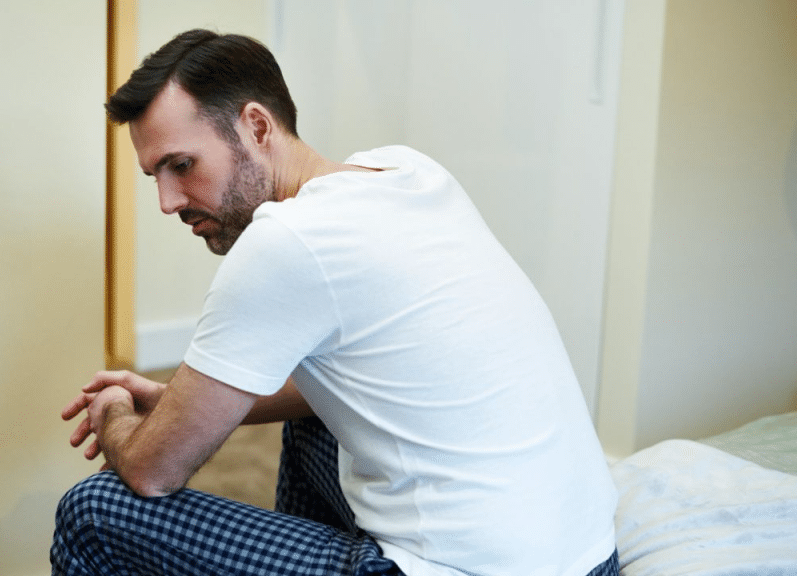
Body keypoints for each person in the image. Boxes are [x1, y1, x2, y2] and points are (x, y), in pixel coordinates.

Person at [52, 28, 619, 576]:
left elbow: (154, 471)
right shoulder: (405, 171)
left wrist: (117, 415)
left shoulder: (286, 241)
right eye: (155, 176)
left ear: (255, 126)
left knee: (94, 511)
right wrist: (176, 402)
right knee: (322, 409)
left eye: (182, 165)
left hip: (472, 569)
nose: (167, 201)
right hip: (590, 557)